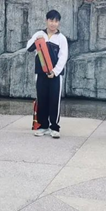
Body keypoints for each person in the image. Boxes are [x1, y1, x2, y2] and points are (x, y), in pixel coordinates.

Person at [26, 10, 68, 138]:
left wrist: (55, 72)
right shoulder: (39, 34)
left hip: (55, 75)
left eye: (56, 21)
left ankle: (54, 127)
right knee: (42, 98)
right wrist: (36, 40)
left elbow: (63, 57)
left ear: (59, 23)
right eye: (51, 20)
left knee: (54, 100)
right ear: (46, 21)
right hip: (41, 73)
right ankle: (43, 126)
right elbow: (28, 48)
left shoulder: (61, 38)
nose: (53, 24)